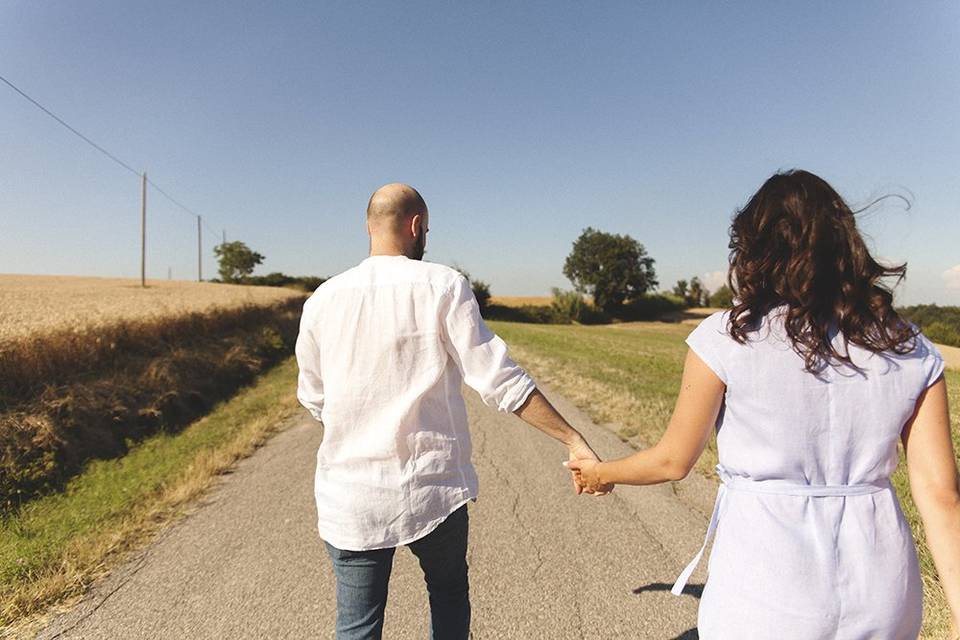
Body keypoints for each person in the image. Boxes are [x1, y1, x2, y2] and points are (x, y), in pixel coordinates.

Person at [568, 170, 960, 639]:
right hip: (883, 591)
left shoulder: (726, 337)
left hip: (766, 591)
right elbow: (942, 497)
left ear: (753, 247)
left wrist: (600, 473)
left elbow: (673, 461)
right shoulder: (908, 345)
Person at [295, 183, 609, 640]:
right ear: (417, 226)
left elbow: (313, 396)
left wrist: (358, 424)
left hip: (350, 497)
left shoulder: (321, 300)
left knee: (357, 626)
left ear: (368, 226)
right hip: (432, 489)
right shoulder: (442, 284)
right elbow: (497, 377)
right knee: (447, 595)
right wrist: (573, 439)